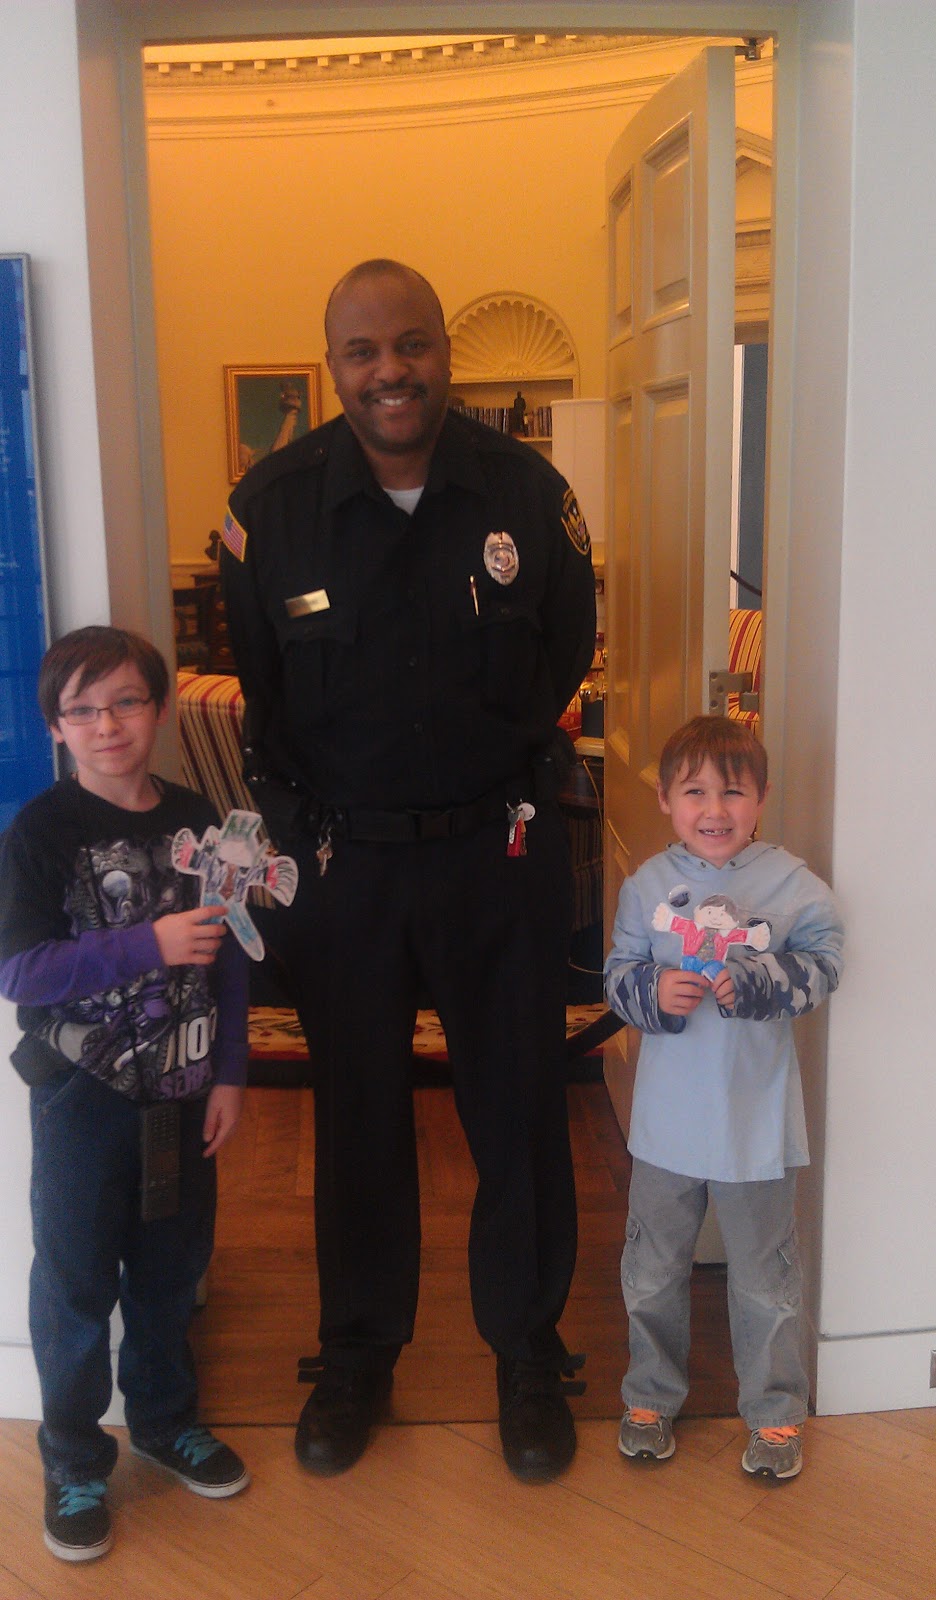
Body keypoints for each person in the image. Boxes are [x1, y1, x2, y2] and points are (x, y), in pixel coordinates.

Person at [220, 258, 596, 1483]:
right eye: (364, 351)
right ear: (335, 365)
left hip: (499, 853)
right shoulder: (271, 509)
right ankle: (357, 1354)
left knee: (520, 1111)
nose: (392, 371)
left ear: (446, 350)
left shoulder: (528, 494)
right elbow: (261, 687)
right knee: (359, 1117)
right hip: (348, 868)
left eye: (413, 344)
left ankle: (527, 1355)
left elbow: (568, 650)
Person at [0, 626, 250, 1563]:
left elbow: (229, 954)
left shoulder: (198, 818)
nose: (107, 725)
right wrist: (148, 944)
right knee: (73, 1282)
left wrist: (231, 1072)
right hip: (81, 1098)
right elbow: (20, 971)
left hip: (183, 1091)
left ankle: (165, 1420)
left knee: (170, 1270)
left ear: (160, 708)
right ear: (56, 727)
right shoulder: (41, 832)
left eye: (126, 702)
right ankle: (73, 1461)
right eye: (83, 710)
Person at [603, 714, 843, 1481]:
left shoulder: (791, 884)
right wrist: (651, 991)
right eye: (694, 792)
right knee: (651, 1270)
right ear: (666, 799)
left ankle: (774, 1411)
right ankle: (649, 1396)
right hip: (664, 1129)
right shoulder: (647, 886)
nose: (714, 809)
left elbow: (825, 962)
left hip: (756, 1129)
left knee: (765, 1280)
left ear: (761, 798)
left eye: (733, 792)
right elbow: (615, 975)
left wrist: (759, 980)